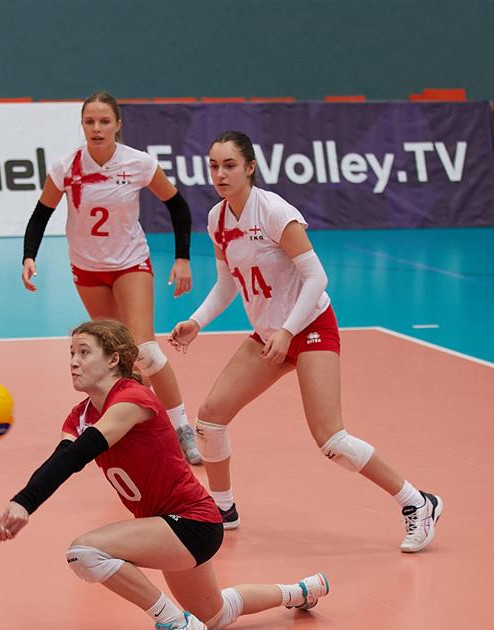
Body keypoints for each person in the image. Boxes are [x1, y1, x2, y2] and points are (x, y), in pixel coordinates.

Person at [0, 319, 330, 630]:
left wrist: (24, 502)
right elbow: (60, 457)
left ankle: (175, 624)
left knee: (85, 552)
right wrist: (24, 502)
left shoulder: (132, 398)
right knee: (214, 617)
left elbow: (79, 454)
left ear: (113, 359)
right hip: (167, 528)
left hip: (192, 523)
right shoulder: (80, 416)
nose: (74, 361)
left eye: (84, 352)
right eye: (71, 353)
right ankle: (299, 591)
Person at [169, 131, 443, 552]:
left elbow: (317, 277)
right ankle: (223, 509)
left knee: (331, 439)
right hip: (270, 335)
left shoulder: (275, 212)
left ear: (250, 168)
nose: (220, 174)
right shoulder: (217, 220)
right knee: (210, 419)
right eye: (214, 166)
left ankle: (418, 502)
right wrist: (197, 321)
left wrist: (288, 330)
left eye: (229, 165)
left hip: (310, 326)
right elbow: (227, 283)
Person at [21, 91, 204, 465]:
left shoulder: (138, 163)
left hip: (129, 263)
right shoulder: (66, 167)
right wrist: (29, 256)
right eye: (90, 122)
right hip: (87, 269)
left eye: (104, 121)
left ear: (118, 124)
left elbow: (177, 206)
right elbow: (41, 214)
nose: (97, 128)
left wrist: (182, 258)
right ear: (82, 125)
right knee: (115, 356)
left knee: (145, 350)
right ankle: (136, 423)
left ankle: (182, 427)